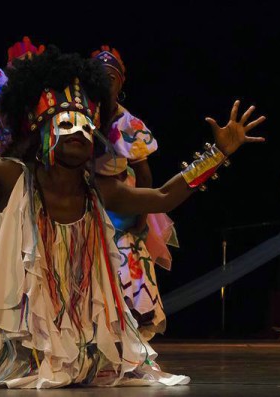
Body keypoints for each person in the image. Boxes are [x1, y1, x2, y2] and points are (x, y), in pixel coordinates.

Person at [0, 46, 264, 388]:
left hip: (69, 325)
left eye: (86, 127)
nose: (79, 134)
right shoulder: (9, 175)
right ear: (44, 132)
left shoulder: (99, 186)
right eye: (66, 126)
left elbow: (163, 197)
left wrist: (218, 154)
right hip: (7, 324)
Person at [91, 45, 178, 340]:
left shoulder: (128, 124)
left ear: (121, 83)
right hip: (88, 204)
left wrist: (142, 215)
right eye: (99, 79)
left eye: (110, 78)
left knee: (128, 264)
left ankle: (135, 339)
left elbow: (144, 174)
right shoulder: (82, 117)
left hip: (121, 209)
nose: (105, 85)